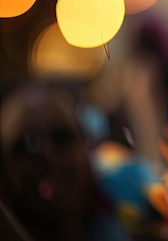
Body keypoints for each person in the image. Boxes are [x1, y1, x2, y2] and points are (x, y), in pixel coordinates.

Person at [0, 80, 132, 241]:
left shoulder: (141, 223)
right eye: (27, 145)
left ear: (87, 147)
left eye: (60, 137)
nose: (46, 155)